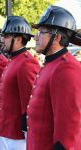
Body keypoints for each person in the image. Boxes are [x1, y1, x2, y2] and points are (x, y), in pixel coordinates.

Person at [27, 5, 81, 150]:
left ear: (56, 37)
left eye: (40, 32)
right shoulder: (52, 63)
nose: (35, 36)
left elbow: (70, 127)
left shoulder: (66, 68)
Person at [0, 16, 40, 150]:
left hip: (19, 130)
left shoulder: (26, 62)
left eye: (6, 36)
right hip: (10, 125)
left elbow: (30, 99)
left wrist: (26, 130)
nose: (2, 40)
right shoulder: (14, 59)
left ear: (19, 39)